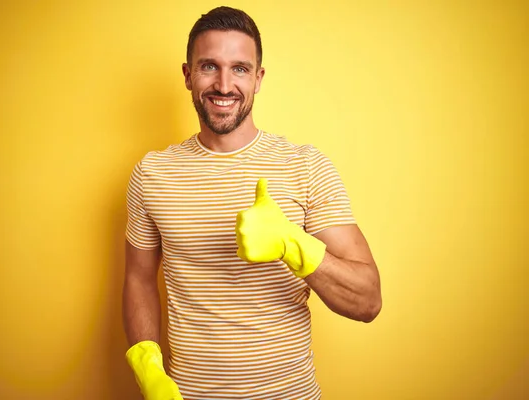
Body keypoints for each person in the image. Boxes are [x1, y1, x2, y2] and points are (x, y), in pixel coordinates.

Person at [122, 6, 382, 400]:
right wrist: (147, 366)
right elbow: (139, 278)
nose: (224, 85)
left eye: (240, 69)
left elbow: (368, 300)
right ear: (188, 75)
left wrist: (293, 245)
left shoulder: (305, 166)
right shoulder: (151, 173)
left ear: (258, 78)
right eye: (209, 66)